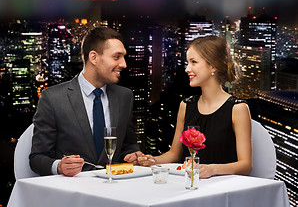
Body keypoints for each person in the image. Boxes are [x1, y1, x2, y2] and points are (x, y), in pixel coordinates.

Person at [30, 26, 142, 177]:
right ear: (94, 57)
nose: (123, 64)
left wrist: (134, 155)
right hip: (72, 194)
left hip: (115, 190)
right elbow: (37, 158)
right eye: (117, 57)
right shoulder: (53, 98)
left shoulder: (125, 96)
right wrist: (59, 166)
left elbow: (128, 144)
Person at [138, 36, 252, 178]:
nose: (187, 69)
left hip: (224, 189)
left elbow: (246, 165)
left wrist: (212, 170)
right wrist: (153, 160)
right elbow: (174, 154)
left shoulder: (238, 109)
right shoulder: (186, 106)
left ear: (213, 66)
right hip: (190, 185)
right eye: (188, 62)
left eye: (194, 62)